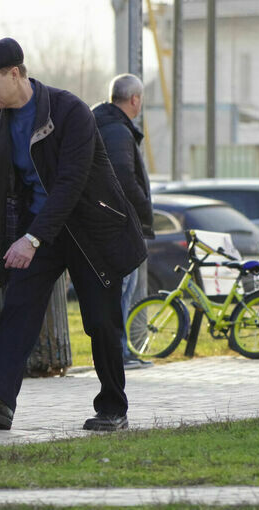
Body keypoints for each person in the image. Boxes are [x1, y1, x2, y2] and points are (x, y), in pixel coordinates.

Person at [0, 38, 146, 431]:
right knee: (19, 307)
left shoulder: (69, 111)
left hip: (89, 231)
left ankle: (113, 408)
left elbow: (70, 184)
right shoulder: (0, 125)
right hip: (41, 230)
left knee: (100, 321)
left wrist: (32, 239)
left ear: (15, 74)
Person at [93, 74, 155, 370]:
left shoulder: (101, 123)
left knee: (119, 292)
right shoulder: (117, 131)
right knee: (122, 292)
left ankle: (119, 351)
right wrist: (144, 210)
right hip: (120, 225)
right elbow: (124, 180)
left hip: (109, 223)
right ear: (135, 100)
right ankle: (118, 354)